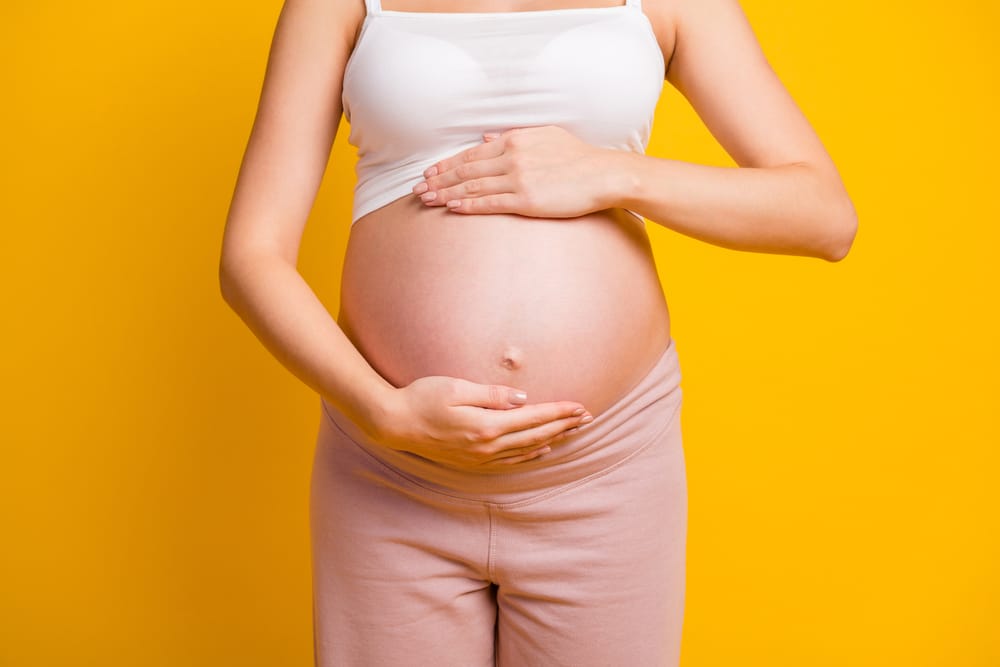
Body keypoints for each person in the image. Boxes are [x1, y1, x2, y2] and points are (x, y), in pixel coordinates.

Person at [219, 0, 857, 662]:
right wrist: (382, 411)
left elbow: (823, 216)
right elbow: (250, 256)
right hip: (392, 473)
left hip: (607, 468)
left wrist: (612, 173)